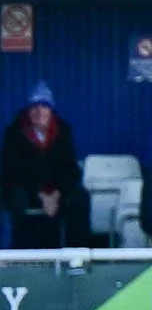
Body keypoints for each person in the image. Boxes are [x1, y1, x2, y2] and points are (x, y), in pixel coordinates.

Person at [2, 82, 89, 249]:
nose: (39, 111)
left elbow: (70, 169)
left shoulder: (63, 130)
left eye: (44, 106)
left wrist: (56, 194)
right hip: (27, 189)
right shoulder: (14, 133)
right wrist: (41, 194)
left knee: (80, 199)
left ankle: (76, 255)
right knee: (15, 198)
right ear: (28, 111)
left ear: (51, 110)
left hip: (55, 190)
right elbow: (13, 171)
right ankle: (18, 254)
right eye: (34, 106)